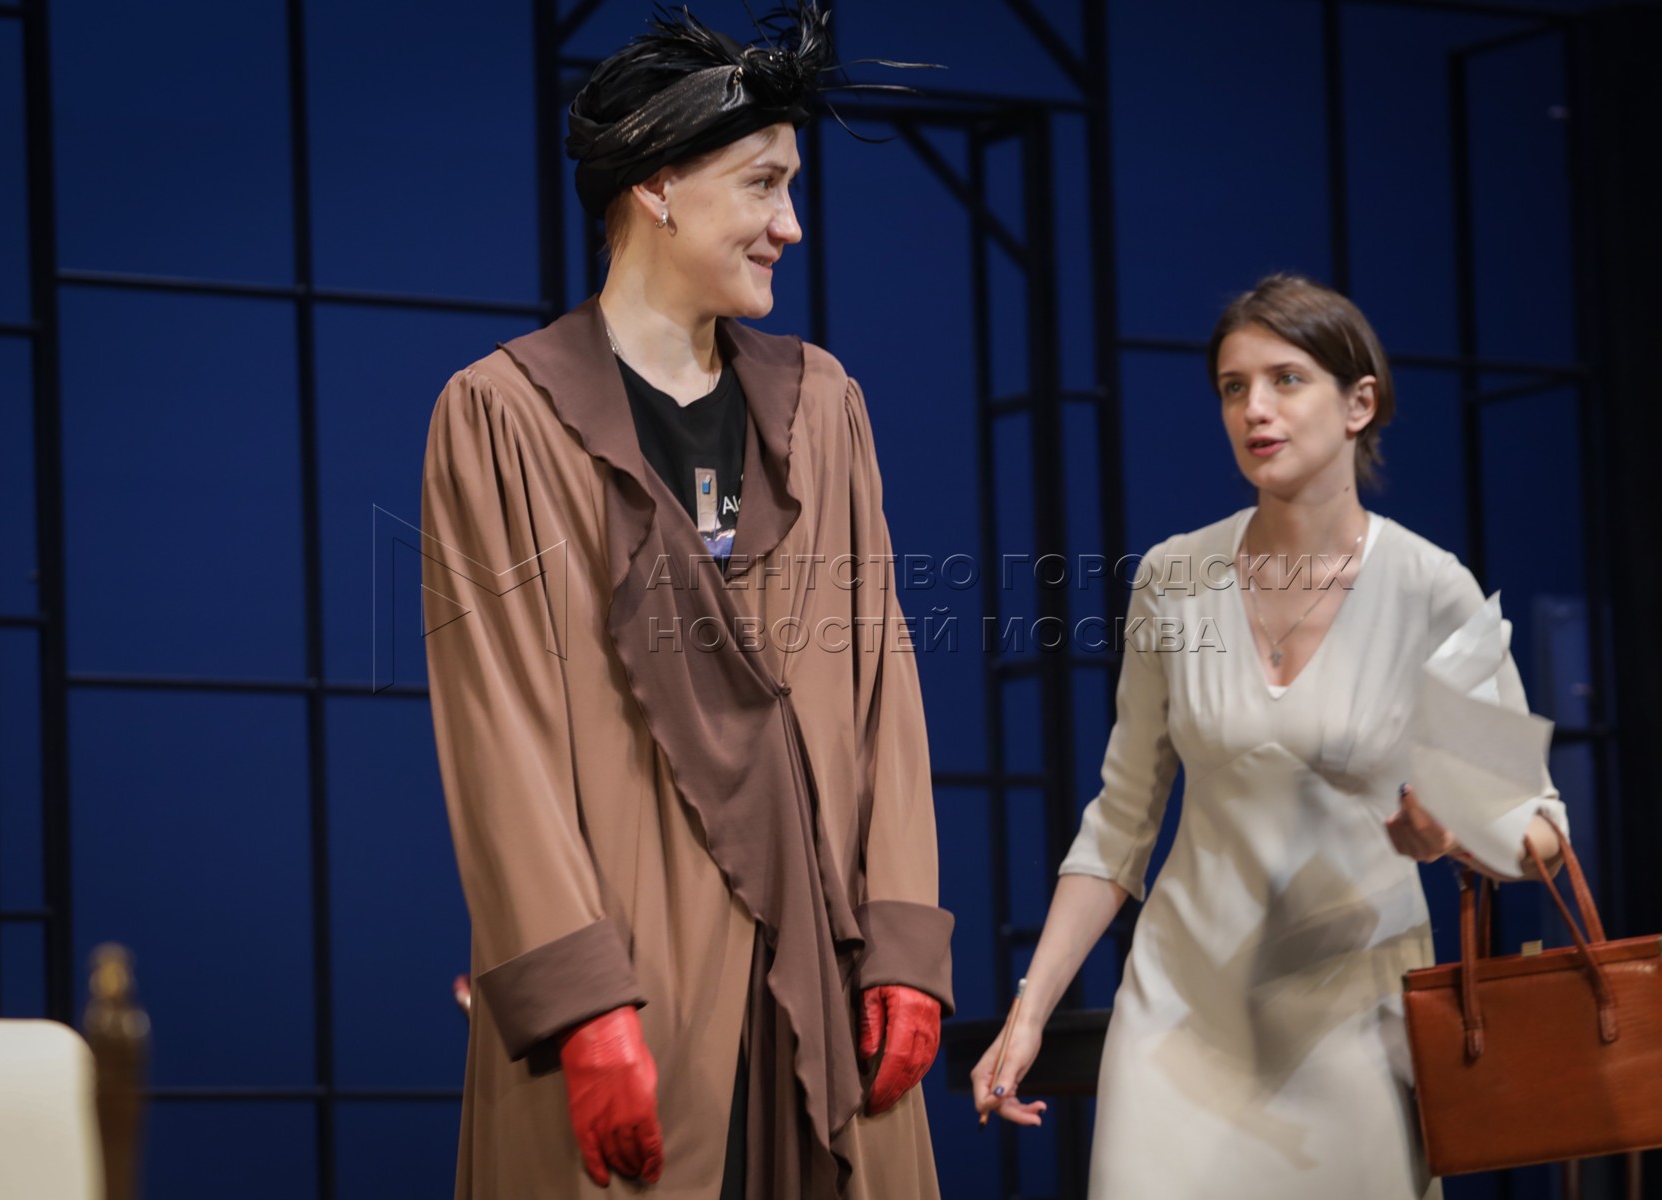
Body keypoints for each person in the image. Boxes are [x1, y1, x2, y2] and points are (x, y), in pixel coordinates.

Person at [420, 6, 951, 1197]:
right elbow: (498, 733)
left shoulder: (823, 405)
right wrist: (579, 997)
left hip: (831, 958)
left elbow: (884, 687)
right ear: (656, 185)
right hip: (634, 977)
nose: (790, 225)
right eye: (764, 184)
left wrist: (906, 933)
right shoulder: (502, 417)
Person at [971, 274, 1568, 1198]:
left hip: (1355, 1032)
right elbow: (1118, 824)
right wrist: (1028, 1012)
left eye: (1286, 379)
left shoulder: (1429, 590)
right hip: (1177, 1016)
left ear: (1358, 403)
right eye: (1232, 386)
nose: (1254, 408)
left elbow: (1539, 829)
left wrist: (1454, 833)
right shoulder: (1174, 578)